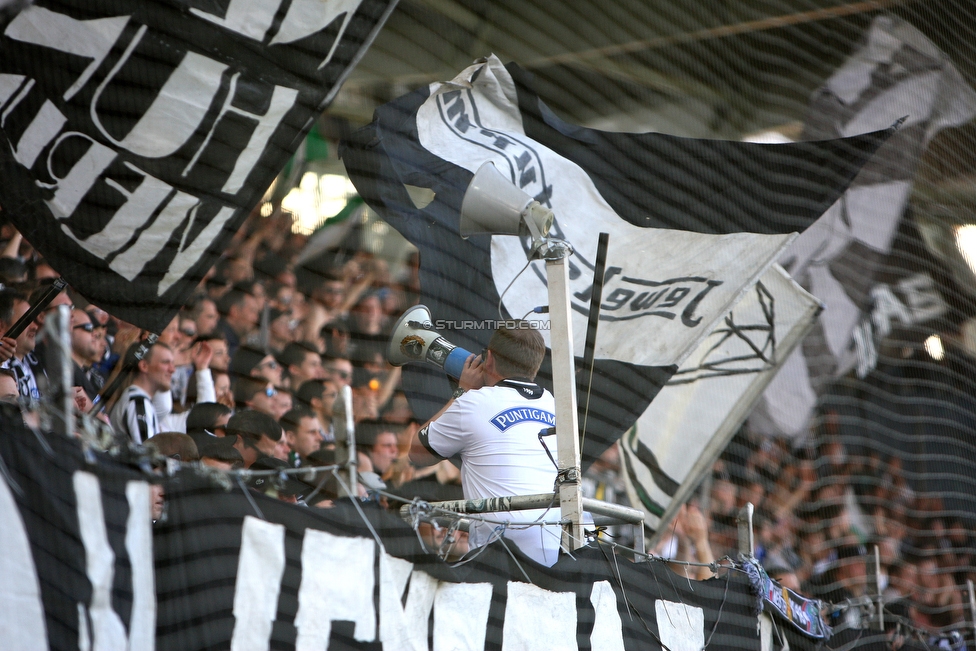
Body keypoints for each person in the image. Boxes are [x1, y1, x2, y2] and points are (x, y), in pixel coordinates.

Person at [410, 321, 561, 566]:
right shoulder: (554, 403)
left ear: (488, 359)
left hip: (499, 561)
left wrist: (463, 391)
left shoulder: (473, 402)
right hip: (557, 552)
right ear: (536, 364)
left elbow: (416, 453)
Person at [110, 342, 176, 444]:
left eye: (172, 363)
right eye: (165, 362)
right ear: (144, 366)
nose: (172, 369)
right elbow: (146, 454)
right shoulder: (137, 402)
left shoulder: (139, 400)